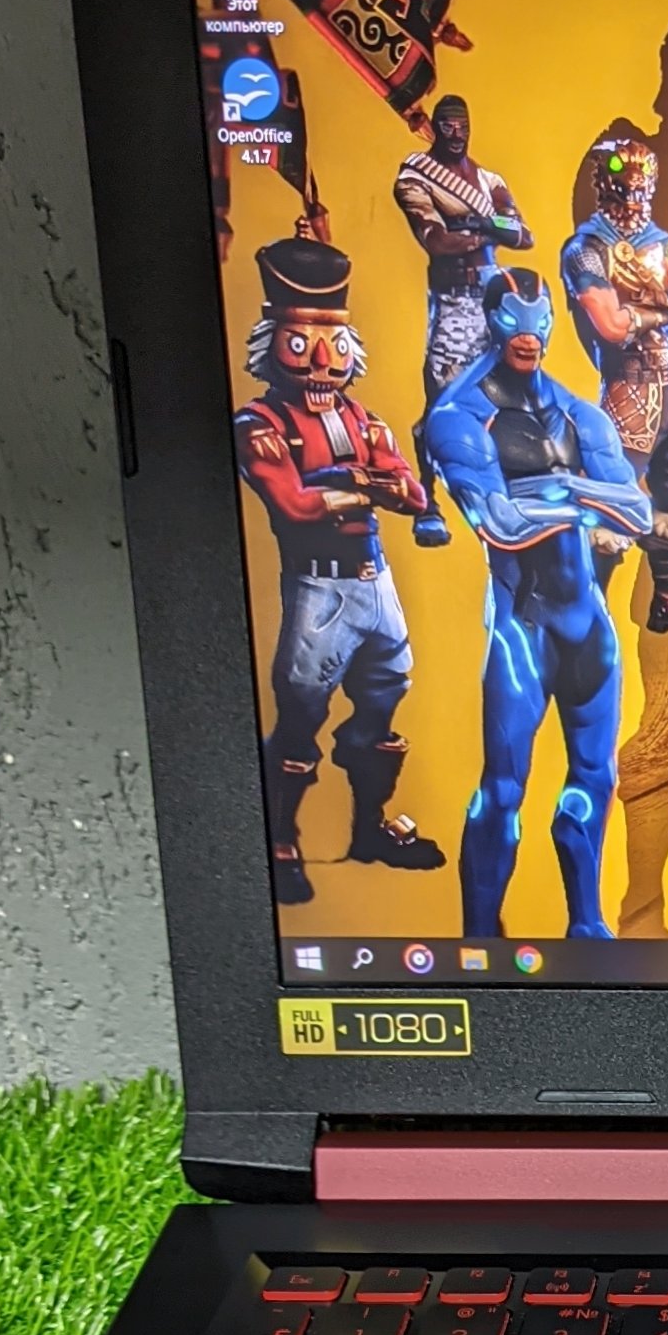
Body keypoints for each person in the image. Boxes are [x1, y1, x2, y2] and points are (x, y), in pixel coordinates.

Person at [418, 268, 653, 940]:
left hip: (586, 626)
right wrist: (582, 496)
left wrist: (552, 490)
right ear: (492, 320)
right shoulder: (459, 417)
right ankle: (479, 946)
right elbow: (500, 524)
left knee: (595, 778)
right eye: (513, 321)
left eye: (538, 322)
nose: (527, 336)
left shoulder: (578, 412)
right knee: (503, 790)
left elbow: (637, 512)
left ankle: (588, 927)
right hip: (522, 628)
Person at [232, 237, 443, 905]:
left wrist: (348, 484)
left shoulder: (363, 419)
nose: (323, 362)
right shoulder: (259, 421)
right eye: (302, 344)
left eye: (335, 344)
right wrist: (363, 483)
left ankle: (370, 827)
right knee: (301, 716)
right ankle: (281, 843)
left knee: (383, 704)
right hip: (317, 590)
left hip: (375, 583)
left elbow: (413, 494)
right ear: (273, 343)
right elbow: (294, 505)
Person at [560, 132, 668, 639]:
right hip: (626, 386)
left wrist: (647, 309)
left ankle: (666, 598)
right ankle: (590, 614)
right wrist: (665, 307)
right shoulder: (587, 250)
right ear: (605, 186)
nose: (633, 198)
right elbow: (610, 326)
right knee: (612, 497)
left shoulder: (662, 244)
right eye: (624, 188)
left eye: (640, 188)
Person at [390, 93, 529, 532]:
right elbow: (436, 240)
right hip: (453, 298)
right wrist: (488, 231)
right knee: (443, 396)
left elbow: (522, 234)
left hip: (493, 295)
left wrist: (480, 225)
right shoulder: (416, 176)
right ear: (435, 126)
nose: (456, 134)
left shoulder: (488, 180)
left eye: (462, 126)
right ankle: (428, 500)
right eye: (447, 125)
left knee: (513, 392)